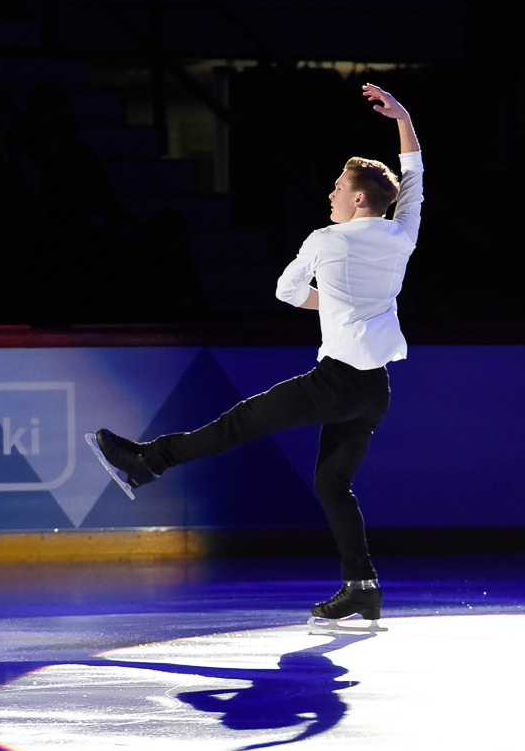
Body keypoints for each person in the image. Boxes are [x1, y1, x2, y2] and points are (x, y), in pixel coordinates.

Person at [91, 83, 423, 623]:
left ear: (360, 197)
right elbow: (415, 180)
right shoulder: (403, 233)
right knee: (332, 483)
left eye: (339, 186)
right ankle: (362, 584)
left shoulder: (325, 240)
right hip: (373, 390)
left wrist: (331, 303)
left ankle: (145, 463)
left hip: (335, 383)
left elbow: (286, 293)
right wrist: (404, 119)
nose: (332, 194)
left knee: (237, 424)